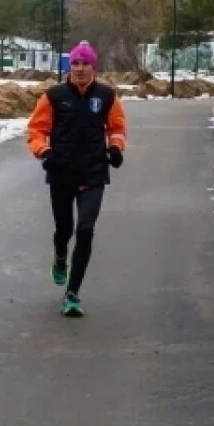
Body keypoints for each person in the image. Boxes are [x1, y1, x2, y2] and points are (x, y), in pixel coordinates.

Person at [27, 40, 127, 316]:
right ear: (70, 67)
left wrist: (116, 148)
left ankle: (72, 293)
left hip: (94, 172)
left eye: (85, 64)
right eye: (75, 64)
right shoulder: (54, 96)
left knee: (85, 229)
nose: (80, 69)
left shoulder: (106, 96)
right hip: (61, 171)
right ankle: (60, 256)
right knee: (64, 230)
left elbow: (117, 128)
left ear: (93, 67)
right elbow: (36, 130)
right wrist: (44, 151)